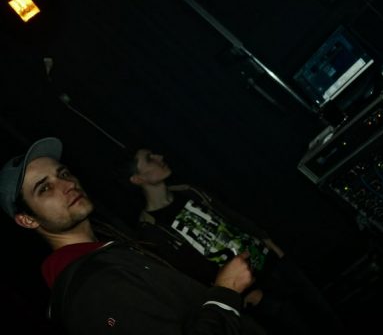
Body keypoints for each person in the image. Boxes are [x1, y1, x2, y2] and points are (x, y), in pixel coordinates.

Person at [0, 137, 266, 335]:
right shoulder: (91, 289)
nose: (68, 184)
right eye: (45, 188)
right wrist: (226, 291)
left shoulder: (105, 258)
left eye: (64, 173)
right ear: (27, 219)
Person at [124, 148, 344, 334]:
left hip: (270, 261)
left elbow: (232, 216)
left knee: (322, 311)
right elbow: (189, 272)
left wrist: (267, 241)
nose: (159, 157)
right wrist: (242, 294)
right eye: (149, 159)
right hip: (250, 288)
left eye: (155, 154)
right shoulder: (151, 229)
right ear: (137, 179)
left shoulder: (188, 191)